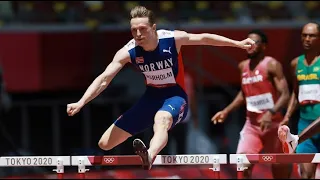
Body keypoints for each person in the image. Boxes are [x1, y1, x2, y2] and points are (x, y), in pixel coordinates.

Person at [66, 6, 255, 170]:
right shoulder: (128, 51)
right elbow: (104, 79)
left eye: (142, 29)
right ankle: (148, 149)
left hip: (175, 96)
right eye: (134, 30)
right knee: (105, 143)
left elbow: (205, 38)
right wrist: (81, 102)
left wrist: (237, 44)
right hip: (151, 98)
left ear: (153, 28)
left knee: (161, 119)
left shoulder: (172, 39)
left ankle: (149, 155)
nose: (138, 34)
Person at [211, 30, 291, 178]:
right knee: (242, 166)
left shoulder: (272, 65)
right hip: (252, 125)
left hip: (273, 125)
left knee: (280, 171)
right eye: (247, 42)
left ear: (264, 46)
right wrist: (226, 111)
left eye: (254, 42)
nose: (250, 45)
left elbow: (285, 94)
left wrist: (270, 112)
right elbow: (243, 93)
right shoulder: (243, 66)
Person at [278, 22, 320, 179]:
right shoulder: (296, 64)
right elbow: (296, 93)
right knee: (306, 175)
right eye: (304, 35)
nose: (307, 39)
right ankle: (295, 140)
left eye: (312, 35)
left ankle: (295, 140)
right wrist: (288, 116)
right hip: (305, 124)